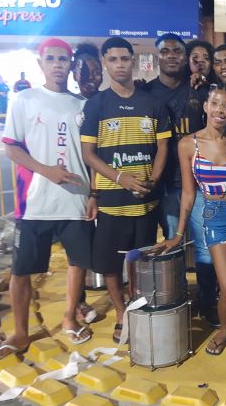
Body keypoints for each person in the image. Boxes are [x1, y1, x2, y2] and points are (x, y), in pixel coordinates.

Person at [0, 38, 94, 360]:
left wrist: (93, 194)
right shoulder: (24, 100)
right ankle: (20, 333)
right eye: (51, 59)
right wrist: (47, 171)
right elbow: (11, 147)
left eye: (63, 59)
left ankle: (70, 318)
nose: (58, 65)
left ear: (71, 64)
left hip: (75, 201)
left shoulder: (82, 105)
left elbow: (90, 155)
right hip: (34, 203)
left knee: (78, 263)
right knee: (22, 270)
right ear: (40, 63)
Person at [154, 84, 226, 355]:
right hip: (216, 217)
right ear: (206, 107)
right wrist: (179, 234)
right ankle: (224, 329)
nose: (220, 110)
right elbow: (188, 193)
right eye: (215, 103)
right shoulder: (187, 145)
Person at [80, 37, 170, 343]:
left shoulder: (152, 103)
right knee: (110, 265)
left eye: (124, 58)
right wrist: (121, 178)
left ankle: (137, 307)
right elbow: (89, 154)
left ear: (133, 61)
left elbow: (162, 147)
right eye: (113, 59)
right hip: (112, 202)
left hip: (146, 202)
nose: (119, 65)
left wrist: (153, 180)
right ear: (105, 63)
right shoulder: (96, 105)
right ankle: (121, 313)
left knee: (140, 262)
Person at [143, 34, 215, 323]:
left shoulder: (200, 90)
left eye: (177, 51)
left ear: (185, 58)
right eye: (166, 51)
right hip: (163, 184)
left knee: (205, 247)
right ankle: (177, 300)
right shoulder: (145, 93)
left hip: (199, 183)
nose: (171, 56)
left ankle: (208, 301)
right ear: (157, 56)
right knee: (172, 243)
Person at [71, 42, 103, 324]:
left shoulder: (105, 102)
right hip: (75, 189)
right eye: (84, 71)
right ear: (74, 72)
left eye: (96, 71)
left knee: (105, 244)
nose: (91, 77)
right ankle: (78, 302)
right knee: (78, 248)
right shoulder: (70, 104)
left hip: (102, 187)